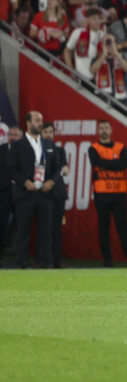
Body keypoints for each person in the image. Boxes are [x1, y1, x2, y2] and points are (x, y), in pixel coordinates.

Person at [7, 113, 58, 269]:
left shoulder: (48, 145)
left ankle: (45, 261)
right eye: (37, 120)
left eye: (41, 120)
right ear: (28, 122)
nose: (41, 123)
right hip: (25, 193)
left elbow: (57, 168)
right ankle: (20, 262)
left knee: (46, 230)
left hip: (45, 193)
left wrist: (51, 181)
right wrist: (25, 182)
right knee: (23, 229)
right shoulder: (17, 145)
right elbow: (11, 169)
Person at [88, 120, 127, 267]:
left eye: (106, 128)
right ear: (97, 131)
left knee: (123, 227)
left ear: (111, 130)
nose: (103, 130)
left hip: (119, 193)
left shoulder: (120, 147)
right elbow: (96, 162)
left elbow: (125, 163)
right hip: (102, 193)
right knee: (103, 228)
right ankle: (107, 260)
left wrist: (105, 163)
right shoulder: (93, 148)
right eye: (101, 128)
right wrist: (114, 164)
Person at [39, 123, 67, 269]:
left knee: (57, 229)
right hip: (42, 193)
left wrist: (56, 176)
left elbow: (65, 169)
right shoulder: (37, 149)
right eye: (45, 131)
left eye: (51, 131)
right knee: (44, 228)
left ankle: (56, 261)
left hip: (58, 193)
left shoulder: (59, 150)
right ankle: (44, 260)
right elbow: (62, 169)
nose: (49, 134)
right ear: (41, 133)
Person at [0, 126, 20, 259]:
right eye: (10, 134)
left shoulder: (26, 150)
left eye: (15, 135)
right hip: (4, 192)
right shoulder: (1, 150)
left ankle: (21, 258)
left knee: (22, 225)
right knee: (1, 224)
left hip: (22, 193)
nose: (12, 137)